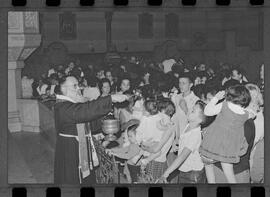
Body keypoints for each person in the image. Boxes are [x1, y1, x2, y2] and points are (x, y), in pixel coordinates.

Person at [54, 76, 128, 185]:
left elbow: (88, 124)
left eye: (78, 85)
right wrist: (110, 99)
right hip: (70, 150)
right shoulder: (62, 106)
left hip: (80, 146)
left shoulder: (71, 105)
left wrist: (105, 119)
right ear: (64, 89)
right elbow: (85, 111)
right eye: (74, 86)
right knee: (72, 178)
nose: (78, 88)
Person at [199, 85, 252, 183]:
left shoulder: (225, 105)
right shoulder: (245, 114)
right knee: (229, 173)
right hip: (230, 146)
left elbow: (207, 111)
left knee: (208, 166)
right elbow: (252, 115)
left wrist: (216, 98)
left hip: (214, 142)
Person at [158, 100, 207, 183]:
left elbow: (182, 156)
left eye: (193, 111)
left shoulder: (195, 135)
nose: (190, 111)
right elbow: (183, 141)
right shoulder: (188, 126)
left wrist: (166, 173)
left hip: (193, 174)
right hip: (184, 170)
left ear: (199, 120)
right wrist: (175, 144)